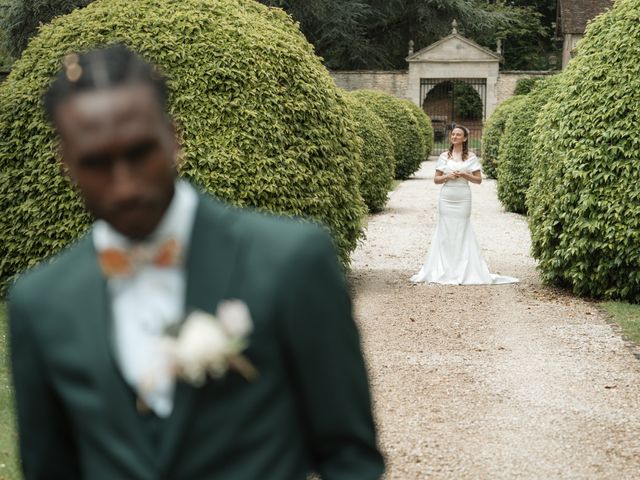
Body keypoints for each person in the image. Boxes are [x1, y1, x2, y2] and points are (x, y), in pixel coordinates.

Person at [8, 45, 384, 480]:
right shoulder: (40, 303)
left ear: (173, 137)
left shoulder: (289, 261)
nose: (125, 185)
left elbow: (350, 456)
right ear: (67, 164)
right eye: (96, 162)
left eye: (139, 152)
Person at [410, 125, 518, 285]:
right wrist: (448, 176)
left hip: (463, 198)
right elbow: (436, 180)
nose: (454, 136)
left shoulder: (471, 157)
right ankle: (443, 267)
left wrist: (465, 175)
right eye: (453, 134)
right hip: (447, 198)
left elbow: (478, 180)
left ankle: (464, 268)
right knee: (445, 230)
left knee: (462, 229)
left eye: (458, 134)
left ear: (465, 138)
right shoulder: (444, 156)